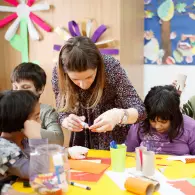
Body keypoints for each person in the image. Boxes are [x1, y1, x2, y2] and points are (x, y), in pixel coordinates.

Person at [52, 36, 146, 150]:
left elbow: (141, 110)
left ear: (98, 65)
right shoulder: (59, 73)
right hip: (82, 142)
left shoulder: (111, 68)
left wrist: (119, 115)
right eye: (75, 79)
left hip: (115, 141)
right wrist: (65, 120)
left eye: (89, 77)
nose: (83, 85)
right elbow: (61, 110)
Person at [0, 90, 88, 188]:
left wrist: (68, 152)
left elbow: (46, 152)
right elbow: (39, 172)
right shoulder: (4, 150)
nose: (40, 122)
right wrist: (36, 138)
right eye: (37, 117)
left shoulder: (23, 140)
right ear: (19, 121)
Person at [125, 85, 195, 155]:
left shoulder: (190, 127)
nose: (157, 126)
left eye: (163, 122)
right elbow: (129, 154)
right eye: (152, 121)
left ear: (174, 117)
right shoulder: (140, 124)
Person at [11, 62, 64, 145]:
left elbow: (58, 140)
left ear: (40, 89)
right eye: (15, 87)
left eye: (25, 87)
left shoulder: (46, 111)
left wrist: (25, 127)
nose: (18, 92)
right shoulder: (7, 108)